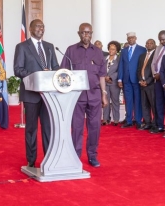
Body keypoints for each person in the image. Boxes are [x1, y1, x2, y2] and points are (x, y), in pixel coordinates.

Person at [61, 23, 109, 167]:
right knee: (77, 127)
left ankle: (92, 156)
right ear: (79, 33)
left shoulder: (98, 52)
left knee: (94, 127)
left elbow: (102, 75)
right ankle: (75, 156)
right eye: (83, 32)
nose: (86, 35)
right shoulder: (71, 50)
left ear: (92, 34)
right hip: (77, 97)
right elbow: (64, 73)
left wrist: (104, 94)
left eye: (88, 33)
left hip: (94, 95)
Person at [13, 19, 59, 168]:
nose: (41, 29)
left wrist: (52, 73)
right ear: (31, 29)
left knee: (48, 128)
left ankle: (49, 158)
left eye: (43, 26)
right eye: (38, 26)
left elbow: (56, 67)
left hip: (49, 96)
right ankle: (31, 160)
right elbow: (18, 70)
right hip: (31, 95)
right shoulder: (22, 47)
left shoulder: (50, 47)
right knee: (31, 129)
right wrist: (38, 74)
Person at [118, 32, 146, 127]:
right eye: (129, 38)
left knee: (138, 100)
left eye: (132, 38)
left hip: (137, 79)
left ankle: (138, 120)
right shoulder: (124, 51)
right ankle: (129, 120)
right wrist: (119, 79)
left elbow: (144, 65)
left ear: (136, 38)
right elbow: (121, 65)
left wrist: (142, 78)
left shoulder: (142, 50)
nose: (131, 39)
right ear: (127, 39)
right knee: (128, 100)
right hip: (126, 80)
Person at [150, 30, 165, 133]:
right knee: (159, 103)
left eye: (163, 39)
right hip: (157, 80)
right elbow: (153, 63)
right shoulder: (158, 48)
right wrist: (155, 74)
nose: (162, 41)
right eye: (160, 40)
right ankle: (160, 125)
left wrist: (161, 75)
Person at [137, 38, 157, 130]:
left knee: (153, 105)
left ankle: (155, 123)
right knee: (144, 105)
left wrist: (148, 81)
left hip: (151, 84)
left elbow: (156, 70)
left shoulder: (156, 55)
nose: (149, 44)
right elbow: (139, 69)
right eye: (147, 43)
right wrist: (141, 80)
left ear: (154, 45)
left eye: (151, 43)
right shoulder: (142, 55)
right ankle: (147, 122)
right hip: (142, 84)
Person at [102, 41, 121, 125]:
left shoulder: (119, 59)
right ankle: (105, 119)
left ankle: (116, 119)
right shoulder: (104, 58)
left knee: (115, 101)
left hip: (114, 83)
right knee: (105, 100)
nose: (111, 50)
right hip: (104, 83)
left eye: (113, 49)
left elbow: (119, 71)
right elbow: (100, 69)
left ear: (116, 50)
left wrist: (111, 77)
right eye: (110, 49)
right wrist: (105, 77)